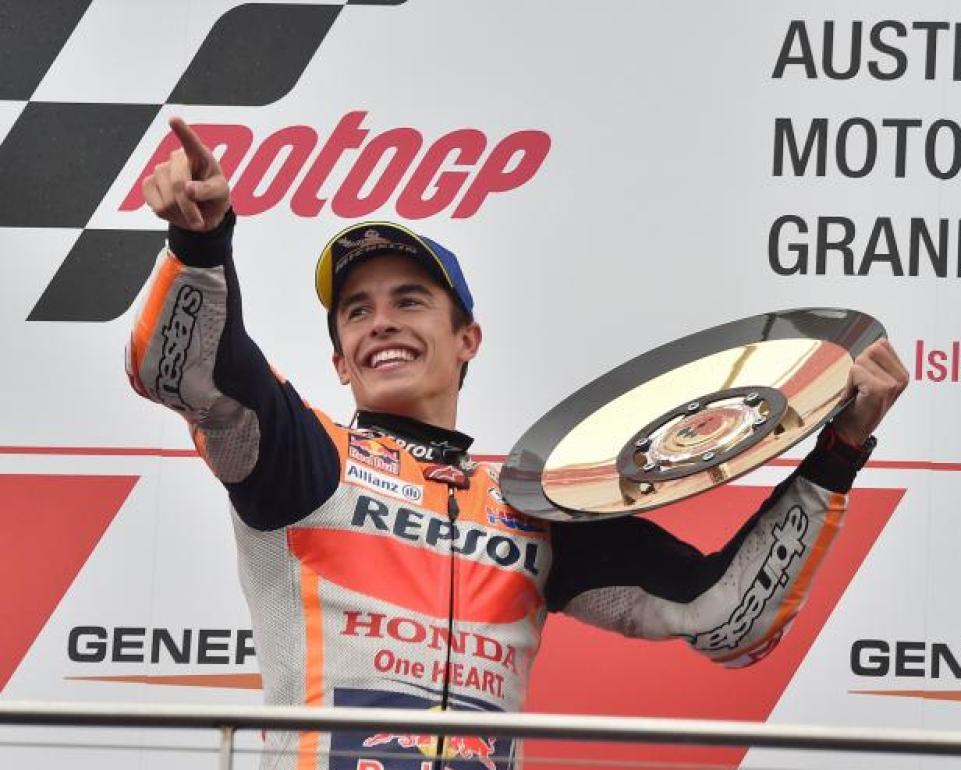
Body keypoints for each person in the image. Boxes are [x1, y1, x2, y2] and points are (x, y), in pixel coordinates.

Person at [127, 118, 908, 770]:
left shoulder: (532, 510)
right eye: (357, 312)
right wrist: (201, 243)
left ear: (467, 338)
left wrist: (838, 451)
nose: (381, 322)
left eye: (409, 301)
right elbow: (189, 372)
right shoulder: (304, 462)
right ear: (340, 361)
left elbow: (727, 618)